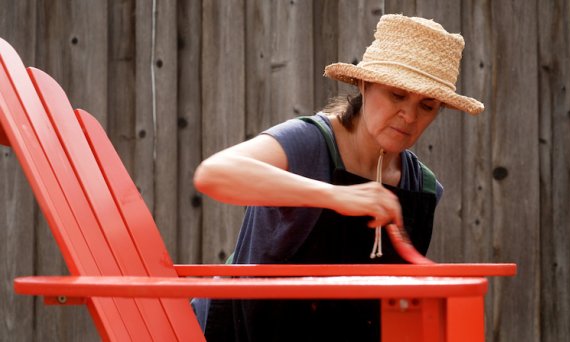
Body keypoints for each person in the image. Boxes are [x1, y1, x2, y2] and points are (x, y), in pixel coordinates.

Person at [192, 13, 484, 342]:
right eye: (397, 95)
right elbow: (213, 174)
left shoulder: (423, 188)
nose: (409, 115)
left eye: (427, 106)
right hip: (234, 330)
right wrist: (335, 195)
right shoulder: (310, 141)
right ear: (364, 83)